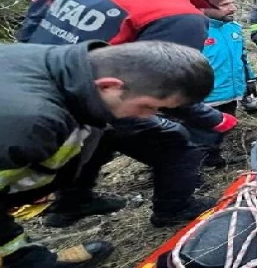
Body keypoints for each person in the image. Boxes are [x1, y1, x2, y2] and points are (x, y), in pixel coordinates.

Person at [14, 0, 257, 229]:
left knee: (99, 142)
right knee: (178, 143)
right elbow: (168, 86)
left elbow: (27, 34)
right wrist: (213, 119)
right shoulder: (180, 16)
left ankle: (72, 202)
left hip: (30, 84)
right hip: (100, 98)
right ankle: (174, 209)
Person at [0, 40, 214, 268]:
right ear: (109, 86)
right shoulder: (30, 125)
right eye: (147, 106)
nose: (147, 116)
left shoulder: (64, 66)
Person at [198, 0, 257, 168]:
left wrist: (249, 79)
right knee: (202, 132)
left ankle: (213, 157)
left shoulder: (234, 29)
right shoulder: (194, 30)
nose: (233, 8)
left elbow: (242, 57)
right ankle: (200, 164)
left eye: (232, 3)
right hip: (205, 97)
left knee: (223, 128)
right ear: (204, 7)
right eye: (225, 4)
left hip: (232, 93)